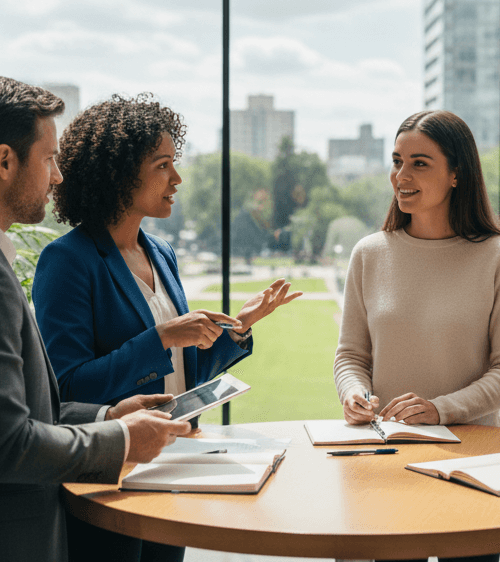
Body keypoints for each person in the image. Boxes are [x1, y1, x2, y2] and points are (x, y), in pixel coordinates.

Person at [0, 76, 191, 562]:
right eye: (48, 159)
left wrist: (107, 415)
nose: (58, 176)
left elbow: (0, 415)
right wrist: (124, 439)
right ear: (4, 161)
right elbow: (5, 446)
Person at [31, 94, 300, 561]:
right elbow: (66, 388)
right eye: (163, 166)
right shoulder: (68, 262)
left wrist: (239, 327)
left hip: (172, 463)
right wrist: (162, 337)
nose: (177, 178)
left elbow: (180, 369)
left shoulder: (161, 253)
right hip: (114, 475)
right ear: (119, 173)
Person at [333, 110, 500, 562]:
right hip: (384, 463)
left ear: (457, 174)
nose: (401, 175)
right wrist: (355, 392)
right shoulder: (369, 254)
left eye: (420, 163)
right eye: (397, 160)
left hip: (473, 467)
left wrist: (440, 410)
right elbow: (350, 355)